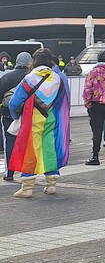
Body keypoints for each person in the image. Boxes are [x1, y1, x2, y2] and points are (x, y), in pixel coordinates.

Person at [7, 49, 71, 197]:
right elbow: (64, 101)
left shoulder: (30, 78)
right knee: (50, 148)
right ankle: (51, 184)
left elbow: (14, 102)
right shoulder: (58, 78)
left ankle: (27, 187)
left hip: (32, 120)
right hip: (52, 119)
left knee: (30, 149)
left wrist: (15, 116)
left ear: (34, 61)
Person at [0, 52, 33, 181]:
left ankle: (9, 173)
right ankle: (27, 173)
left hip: (8, 115)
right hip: (28, 115)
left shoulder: (7, 77)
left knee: (9, 142)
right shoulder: (32, 78)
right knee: (27, 143)